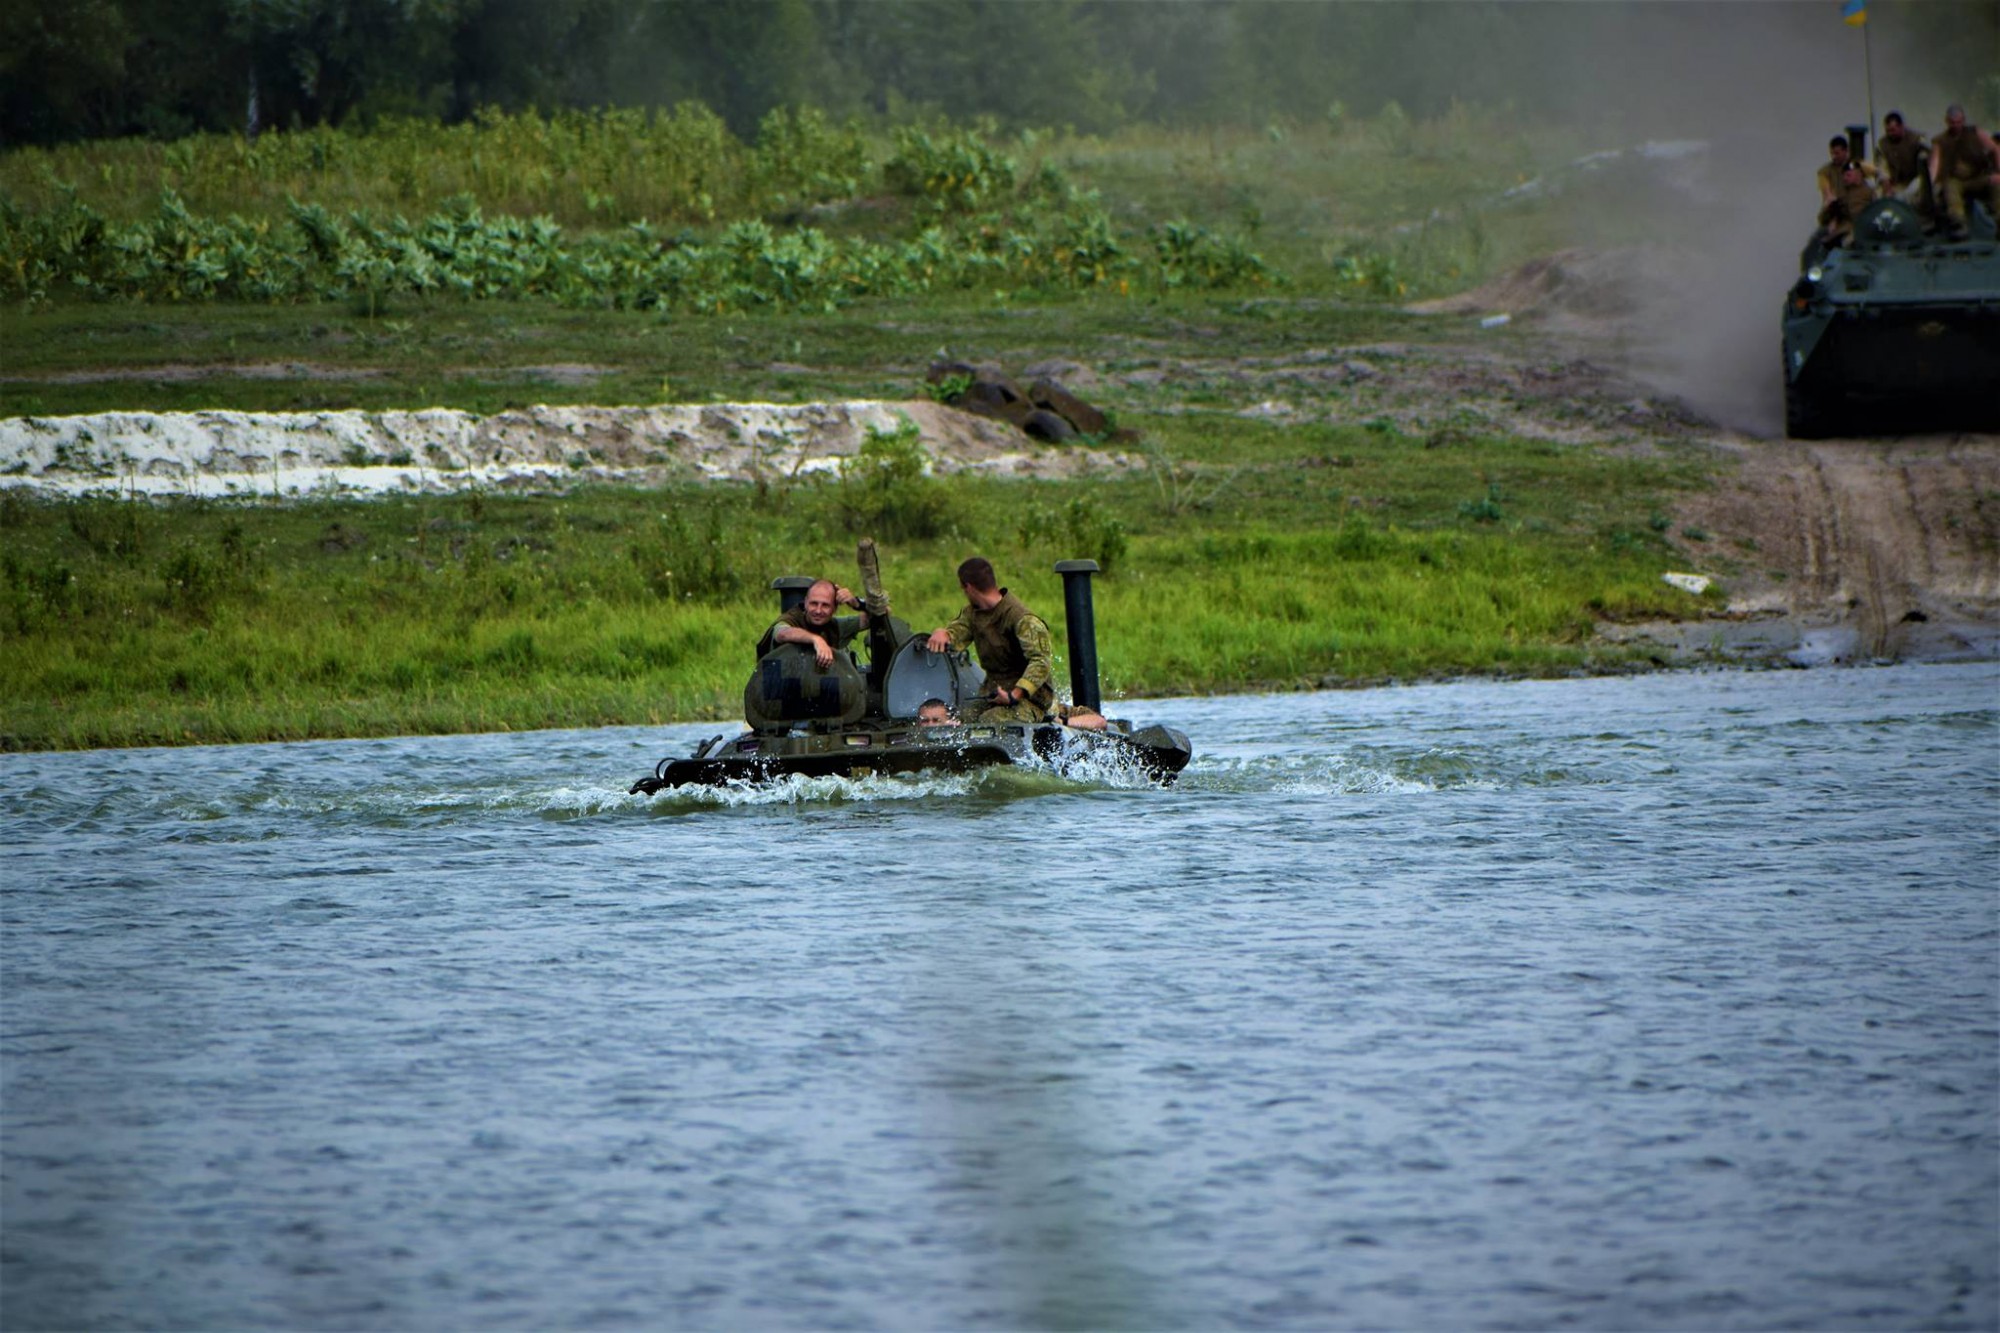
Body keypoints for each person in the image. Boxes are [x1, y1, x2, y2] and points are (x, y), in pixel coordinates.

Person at [925, 557, 1055, 724]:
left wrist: (1014, 695)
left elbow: (1040, 661)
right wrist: (942, 634)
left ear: (968, 587)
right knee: (961, 719)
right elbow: (958, 632)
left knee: (991, 721)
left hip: (1029, 701)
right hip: (994, 695)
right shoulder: (972, 614)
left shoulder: (1021, 619)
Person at [761, 578, 868, 668]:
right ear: (806, 602)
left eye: (825, 605)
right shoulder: (792, 618)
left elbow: (878, 618)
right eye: (813, 603)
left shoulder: (836, 626)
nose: (818, 610)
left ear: (834, 609)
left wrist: (857, 604)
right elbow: (782, 634)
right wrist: (816, 640)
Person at [1930, 103, 2000, 240]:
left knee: (1997, 185)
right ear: (1947, 121)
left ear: (1963, 120)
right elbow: (1934, 163)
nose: (1956, 125)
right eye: (1952, 122)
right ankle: (1959, 224)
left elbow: (1995, 149)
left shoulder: (1975, 133)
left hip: (1979, 177)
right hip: (1957, 182)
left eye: (1959, 122)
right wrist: (1932, 184)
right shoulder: (1940, 141)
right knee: (1949, 187)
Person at [1815, 135, 1879, 247]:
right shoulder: (1825, 172)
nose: (1834, 157)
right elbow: (1827, 193)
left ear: (1846, 151)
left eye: (1837, 153)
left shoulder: (1855, 165)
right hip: (1840, 210)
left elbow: (1877, 173)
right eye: (1832, 153)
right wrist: (1831, 209)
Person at [1875, 111, 1936, 224]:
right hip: (1895, 183)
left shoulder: (1917, 140)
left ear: (1901, 127)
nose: (1890, 134)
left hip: (1916, 180)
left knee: (1914, 194)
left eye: (1893, 130)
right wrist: (1887, 187)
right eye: (1888, 131)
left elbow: (1931, 158)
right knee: (1879, 197)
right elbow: (1882, 169)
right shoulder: (1882, 145)